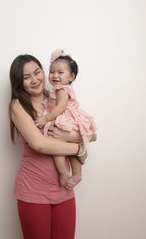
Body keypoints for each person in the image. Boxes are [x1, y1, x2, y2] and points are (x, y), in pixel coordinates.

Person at [9, 54, 87, 239]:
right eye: (26, 77)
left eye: (37, 72)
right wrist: (78, 149)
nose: (34, 80)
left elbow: (89, 132)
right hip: (33, 191)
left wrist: (71, 136)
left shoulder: (57, 97)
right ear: (19, 82)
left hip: (63, 189)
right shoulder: (17, 105)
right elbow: (39, 144)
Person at [35, 50, 97, 188]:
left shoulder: (62, 90)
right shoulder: (58, 89)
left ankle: (63, 172)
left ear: (71, 76)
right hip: (70, 121)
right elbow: (50, 96)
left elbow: (61, 107)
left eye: (60, 72)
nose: (55, 75)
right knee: (71, 150)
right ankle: (76, 173)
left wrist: (46, 118)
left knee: (58, 147)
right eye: (52, 72)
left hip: (64, 119)